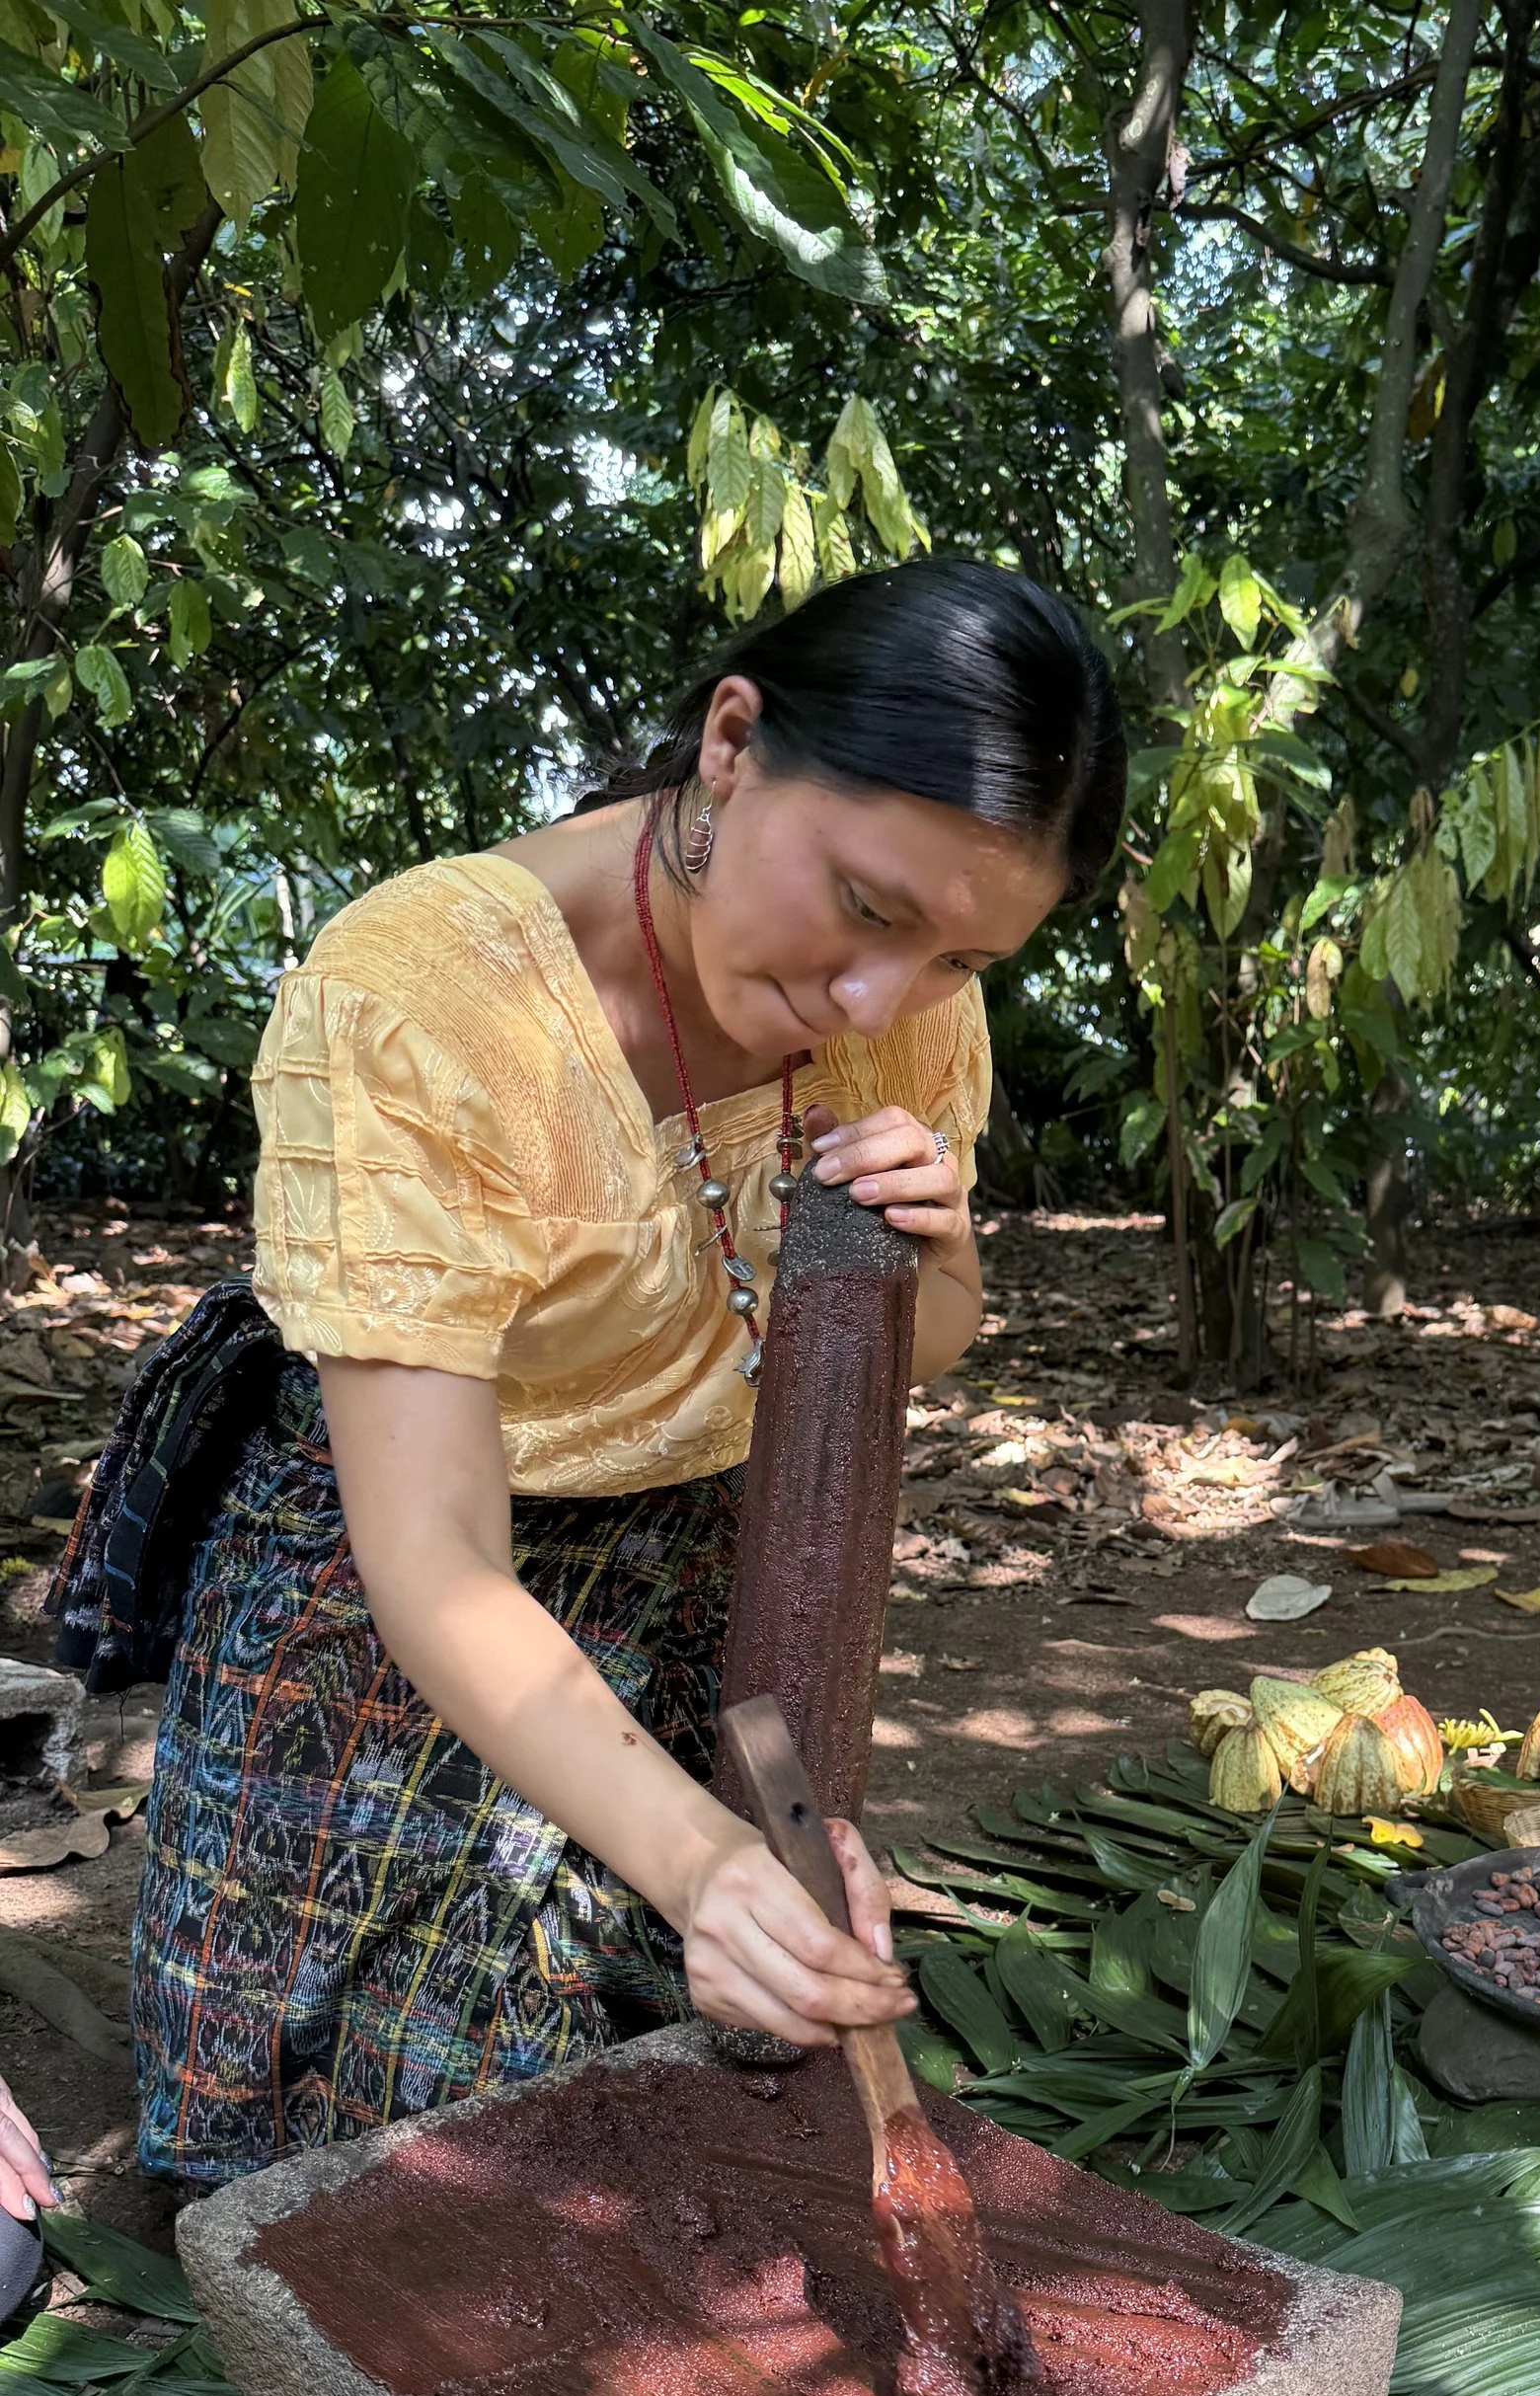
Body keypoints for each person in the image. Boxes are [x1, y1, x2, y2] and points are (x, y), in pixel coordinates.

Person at [0, 559, 1124, 2236]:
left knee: (659, 2093)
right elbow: (438, 1555)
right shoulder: (424, 1000)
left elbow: (907, 1345)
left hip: (695, 1552)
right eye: (874, 910)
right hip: (401, 1574)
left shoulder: (906, 1012)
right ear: (733, 743)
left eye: (969, 956)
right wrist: (705, 1862)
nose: (887, 998)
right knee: (360, 2173)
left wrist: (933, 1258)